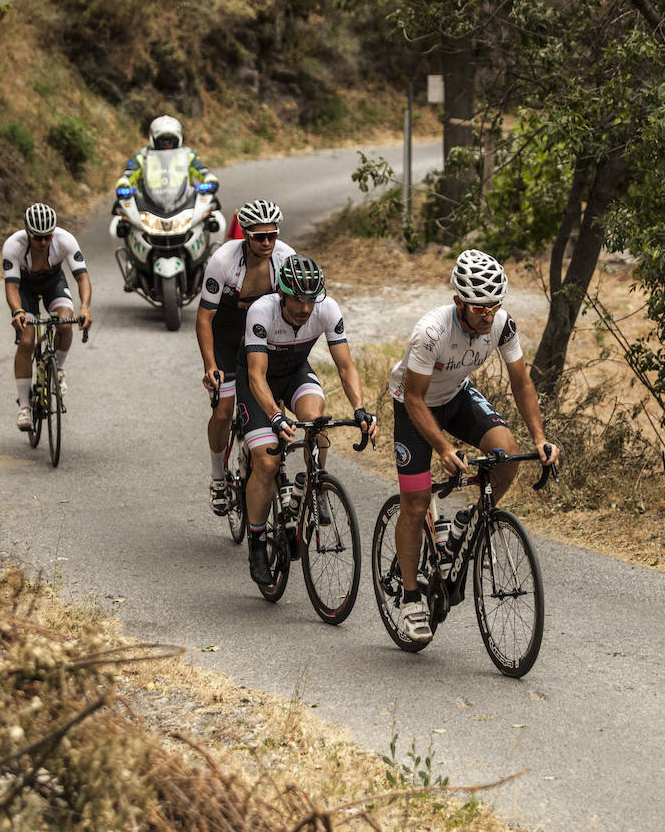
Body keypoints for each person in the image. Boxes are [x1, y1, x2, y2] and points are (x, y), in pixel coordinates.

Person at [388, 249, 559, 642]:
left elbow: (521, 383)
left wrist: (540, 438)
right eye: (480, 307)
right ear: (459, 302)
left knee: (507, 454)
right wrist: (444, 448)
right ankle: (411, 599)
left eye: (494, 305)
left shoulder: (502, 324)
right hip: (414, 405)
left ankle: (467, 521)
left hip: (457, 397)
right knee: (415, 503)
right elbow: (413, 397)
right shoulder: (431, 332)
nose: (488, 315)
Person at [237, 254, 377, 585]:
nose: (305, 308)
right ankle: (257, 543)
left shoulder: (327, 309)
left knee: (316, 422)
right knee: (267, 462)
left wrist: (360, 408)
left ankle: (316, 486)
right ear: (282, 294)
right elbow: (256, 375)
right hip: (257, 380)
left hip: (295, 373)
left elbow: (345, 366)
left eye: (311, 300)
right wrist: (275, 416)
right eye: (298, 299)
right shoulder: (262, 312)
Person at [196, 199, 296, 515]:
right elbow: (204, 318)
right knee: (224, 411)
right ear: (246, 235)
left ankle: (277, 470)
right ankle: (217, 477)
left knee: (274, 401)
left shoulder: (285, 258)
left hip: (263, 332)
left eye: (272, 235)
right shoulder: (223, 260)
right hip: (227, 334)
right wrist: (210, 366)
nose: (267, 242)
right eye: (259, 236)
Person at [3, 203, 92, 432]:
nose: (43, 242)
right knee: (26, 340)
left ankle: (58, 369)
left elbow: (82, 277)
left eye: (47, 237)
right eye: (37, 237)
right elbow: (12, 287)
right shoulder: (13, 245)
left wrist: (85, 308)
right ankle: (24, 406)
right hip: (25, 290)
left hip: (54, 284)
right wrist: (18, 312)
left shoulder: (65, 240)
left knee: (65, 323)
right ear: (27, 232)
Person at [115, 115, 219, 195]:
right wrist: (123, 185)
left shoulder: (188, 155)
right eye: (162, 140)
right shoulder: (142, 156)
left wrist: (211, 181)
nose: (166, 144)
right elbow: (128, 175)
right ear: (154, 140)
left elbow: (203, 172)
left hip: (185, 204)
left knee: (212, 209)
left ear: (178, 139)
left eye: (171, 140)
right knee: (120, 213)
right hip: (148, 206)